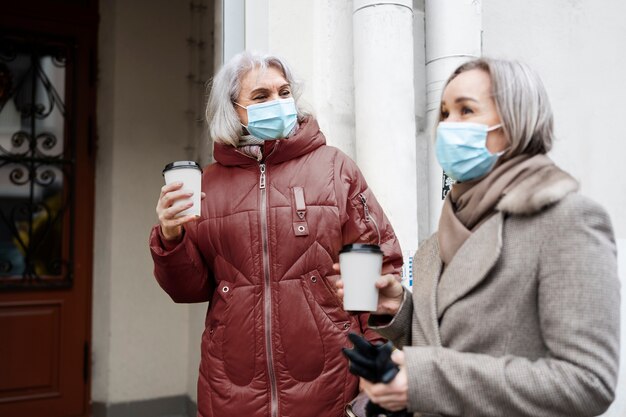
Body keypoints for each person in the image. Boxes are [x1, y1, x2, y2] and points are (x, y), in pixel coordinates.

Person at [336, 58, 621, 417]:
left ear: (515, 124)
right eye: (444, 113)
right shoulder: (437, 242)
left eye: (466, 110)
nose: (448, 126)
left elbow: (587, 381)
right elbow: (449, 341)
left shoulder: (568, 221)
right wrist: (399, 311)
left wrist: (424, 381)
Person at [149, 51, 403, 417]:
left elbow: (379, 265)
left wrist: (376, 359)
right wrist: (171, 237)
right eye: (261, 96)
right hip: (230, 386)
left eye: (284, 92)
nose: (278, 103)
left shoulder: (334, 168)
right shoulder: (208, 184)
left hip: (331, 379)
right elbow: (188, 289)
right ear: (233, 109)